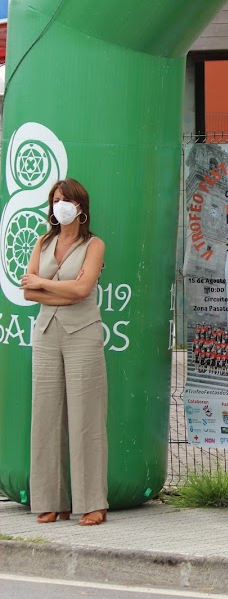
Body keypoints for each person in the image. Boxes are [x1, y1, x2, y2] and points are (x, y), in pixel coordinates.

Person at [21, 178, 108, 526]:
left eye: (66, 200)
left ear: (80, 206)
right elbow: (28, 292)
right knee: (45, 414)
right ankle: (50, 500)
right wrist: (60, 290)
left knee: (86, 416)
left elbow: (83, 289)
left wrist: (43, 284)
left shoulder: (94, 245)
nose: (60, 205)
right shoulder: (43, 241)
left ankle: (93, 503)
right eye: (56, 199)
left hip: (82, 332)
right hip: (46, 333)